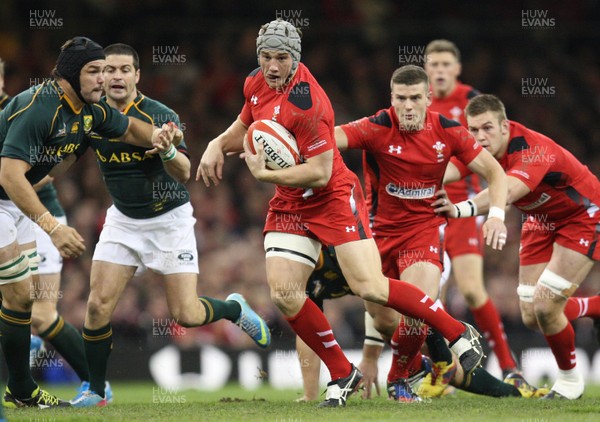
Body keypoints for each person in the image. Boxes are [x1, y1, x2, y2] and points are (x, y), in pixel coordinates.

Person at [198, 18, 490, 408]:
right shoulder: (256, 81)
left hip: (331, 197)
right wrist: (218, 143)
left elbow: (319, 172)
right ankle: (341, 372)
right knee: (285, 294)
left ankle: (456, 332)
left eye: (281, 58)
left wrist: (266, 173)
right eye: (265, 57)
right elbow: (245, 122)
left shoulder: (309, 102)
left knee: (370, 286)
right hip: (289, 201)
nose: (272, 66)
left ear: (295, 58)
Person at [71, 43, 271, 407]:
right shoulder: (92, 114)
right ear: (101, 76)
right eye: (109, 70)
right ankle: (96, 390)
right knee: (98, 306)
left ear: (137, 76)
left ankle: (234, 309)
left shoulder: (160, 114)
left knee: (186, 314)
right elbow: (67, 153)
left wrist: (165, 150)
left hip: (169, 220)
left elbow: (183, 172)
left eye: (124, 70)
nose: (116, 76)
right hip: (123, 219)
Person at [0, 36, 177, 409]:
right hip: (5, 197)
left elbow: (129, 128)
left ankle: (20, 389)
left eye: (105, 70)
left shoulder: (87, 111)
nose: (103, 79)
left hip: (14, 206)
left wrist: (161, 136)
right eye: (93, 71)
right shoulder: (40, 106)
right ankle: (21, 388)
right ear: (68, 76)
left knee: (22, 300)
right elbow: (11, 176)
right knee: (19, 297)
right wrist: (54, 227)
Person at [335, 64, 513, 401]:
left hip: (423, 231)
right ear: (391, 99)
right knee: (387, 322)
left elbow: (496, 172)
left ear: (428, 98)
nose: (408, 106)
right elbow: (327, 139)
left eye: (415, 97)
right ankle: (440, 363)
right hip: (377, 236)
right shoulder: (375, 127)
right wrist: (277, 143)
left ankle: (399, 378)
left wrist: (497, 216)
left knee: (419, 309)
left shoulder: (448, 131)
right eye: (401, 98)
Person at [436, 94, 600, 399]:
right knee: (530, 314)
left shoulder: (532, 150)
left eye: (487, 128)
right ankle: (594, 307)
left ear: (504, 126)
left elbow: (508, 189)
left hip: (581, 216)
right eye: (473, 130)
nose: (479, 137)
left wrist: (491, 215)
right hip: (540, 218)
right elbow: (449, 170)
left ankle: (569, 383)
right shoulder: (480, 149)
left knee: (546, 305)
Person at [424, 39, 519, 384]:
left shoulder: (471, 102)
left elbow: (489, 155)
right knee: (430, 296)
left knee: (472, 289)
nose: (439, 71)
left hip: (462, 208)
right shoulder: (419, 103)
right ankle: (444, 371)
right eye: (433, 65)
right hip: (424, 209)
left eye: (446, 64)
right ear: (425, 69)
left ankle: (509, 367)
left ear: (457, 69)